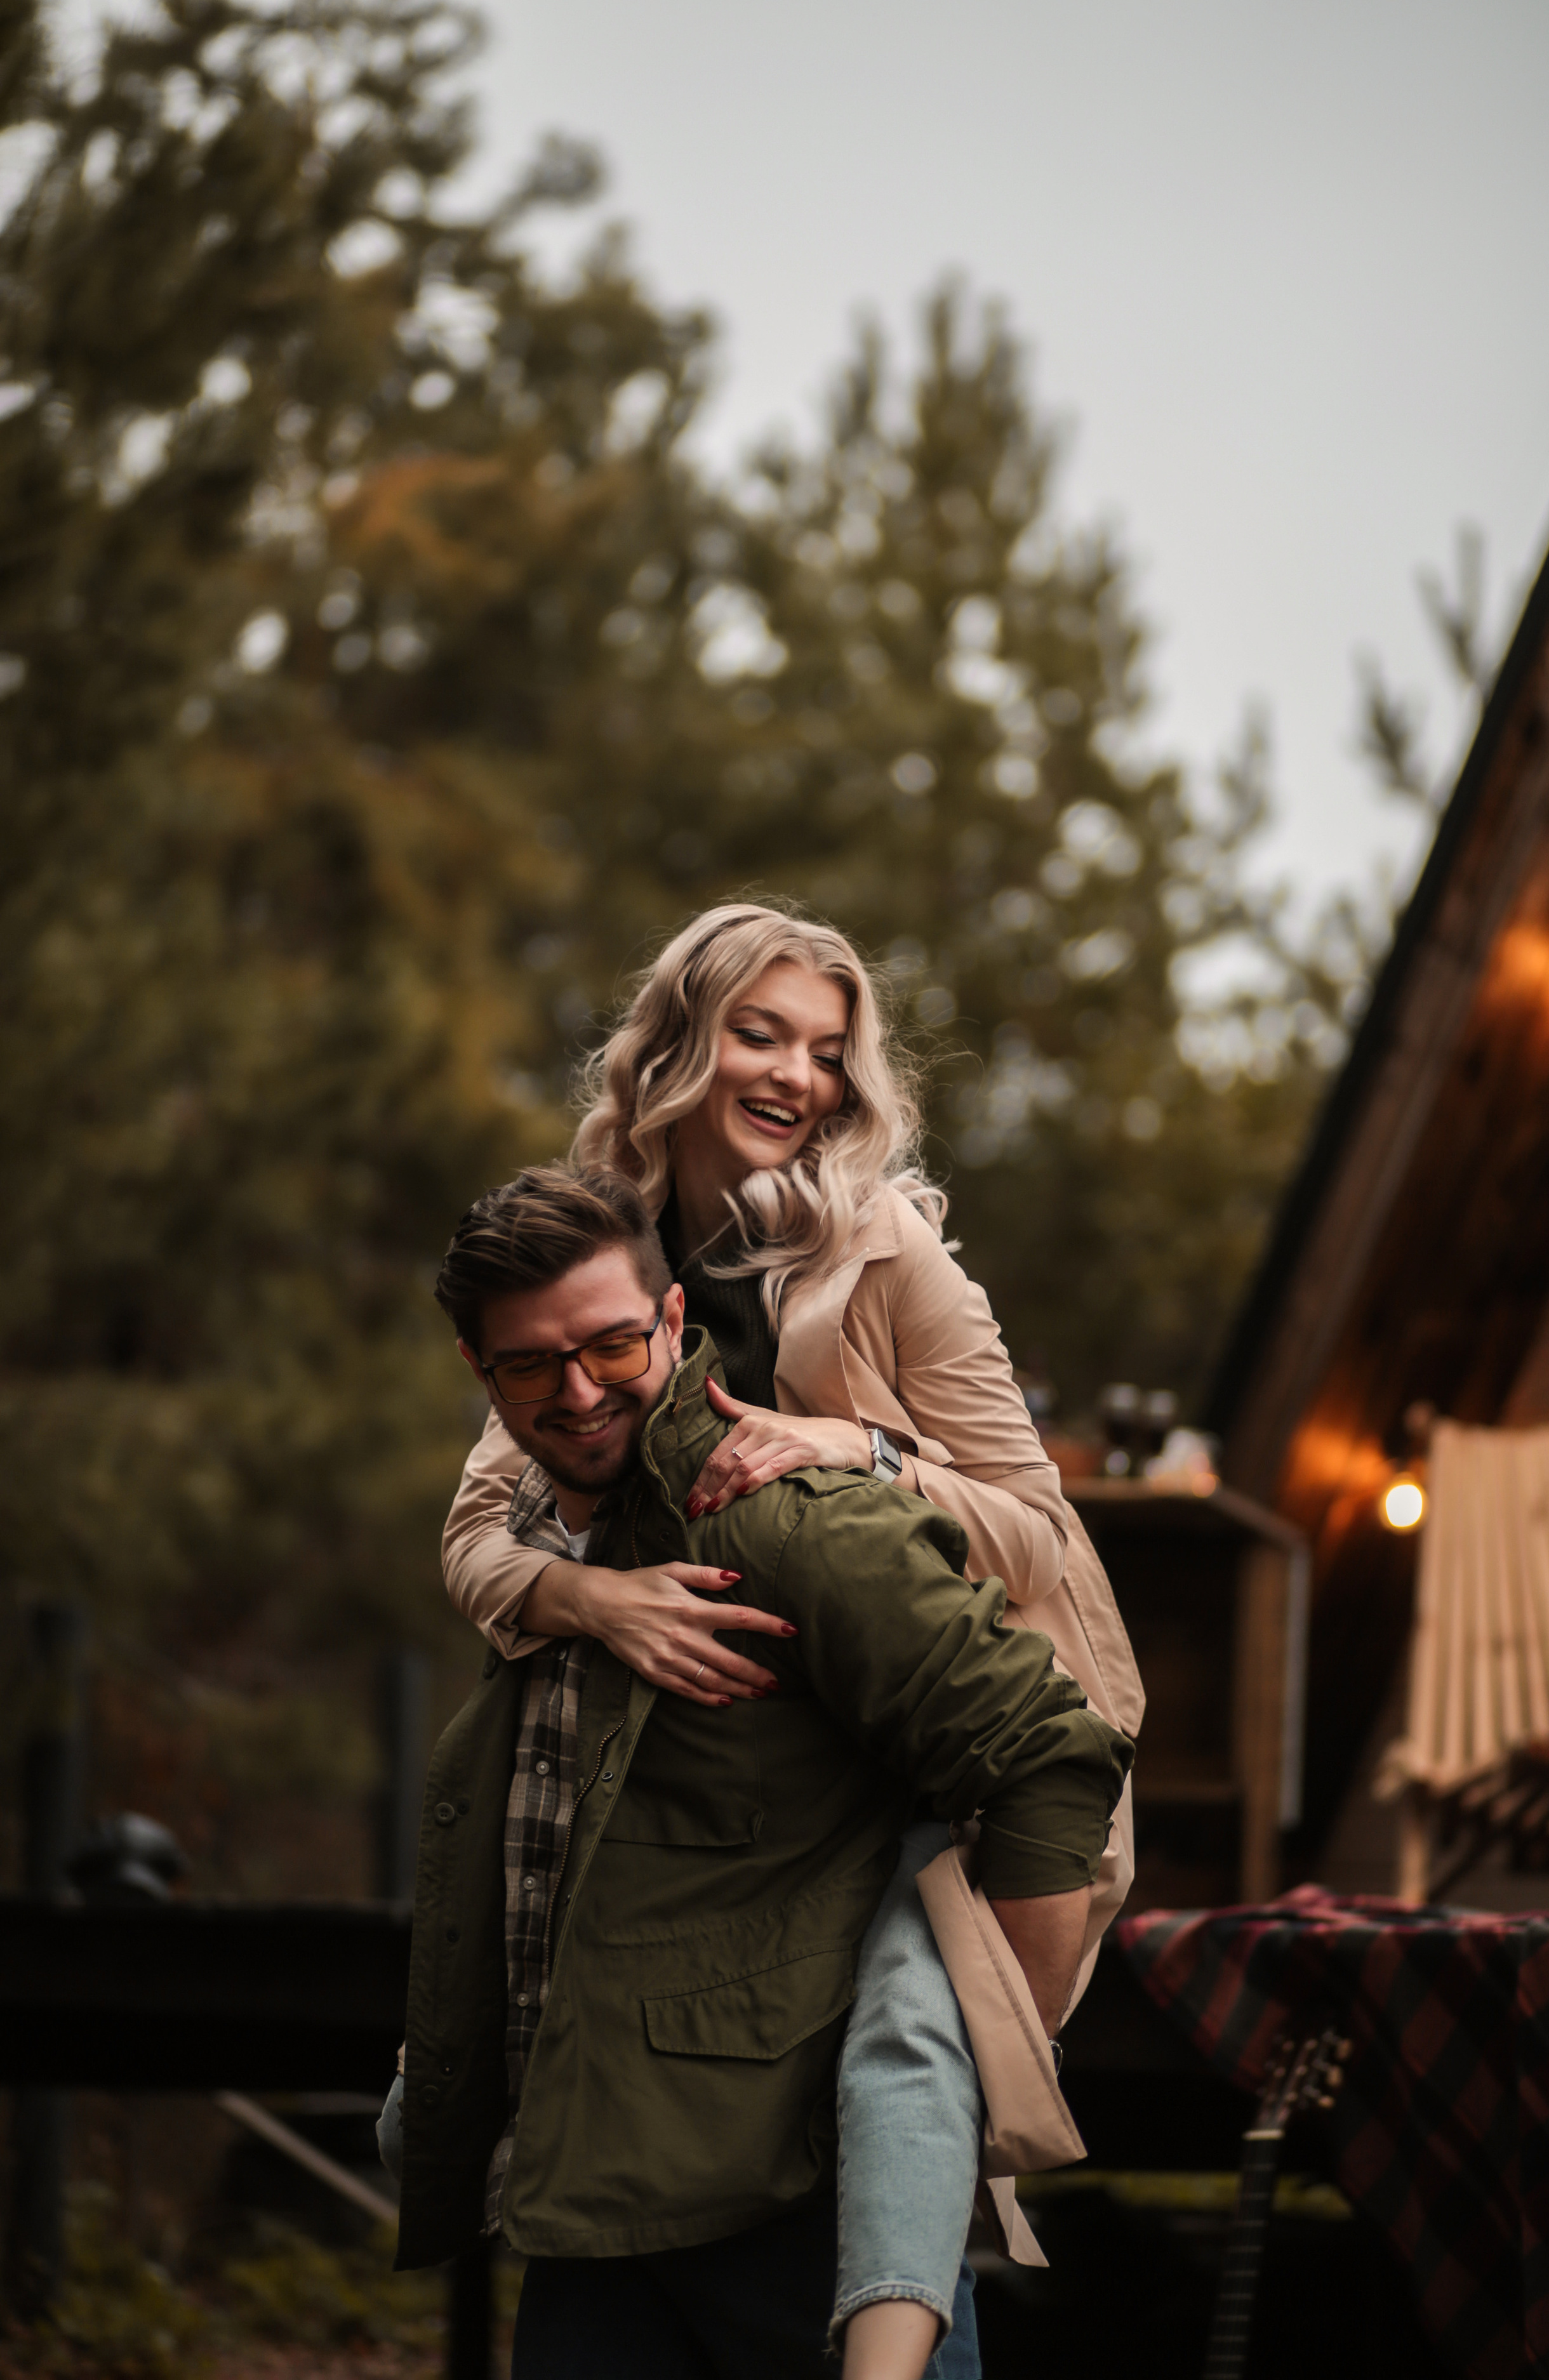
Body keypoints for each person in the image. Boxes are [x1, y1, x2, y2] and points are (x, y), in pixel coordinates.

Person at [438, 902, 1144, 2375]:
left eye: (827, 1051)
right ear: (678, 1043)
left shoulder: (887, 1252)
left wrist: (857, 1447)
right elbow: (478, 1538)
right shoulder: (594, 1255)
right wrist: (593, 1597)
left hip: (933, 1734)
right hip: (742, 1757)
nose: (796, 1076)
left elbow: (1034, 1526)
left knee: (899, 2038)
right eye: (760, 1033)